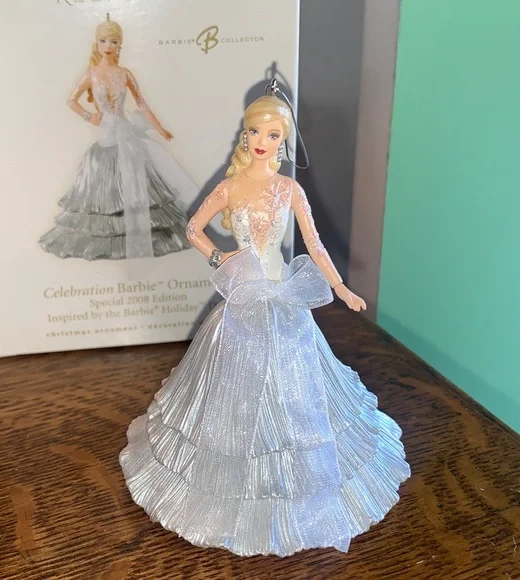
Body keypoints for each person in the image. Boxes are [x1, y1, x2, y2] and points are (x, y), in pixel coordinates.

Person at [119, 91, 410, 557]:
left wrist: (341, 288)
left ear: (283, 141)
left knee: (296, 383)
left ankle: (295, 471)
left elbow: (314, 245)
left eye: (272, 134)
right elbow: (193, 228)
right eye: (255, 131)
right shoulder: (230, 187)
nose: (261, 140)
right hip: (244, 297)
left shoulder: (290, 189)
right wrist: (220, 257)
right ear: (246, 134)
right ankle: (235, 475)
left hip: (282, 294)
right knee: (234, 384)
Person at [40, 14, 195, 261]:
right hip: (106, 136)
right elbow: (71, 100)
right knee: (102, 186)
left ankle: (141, 234)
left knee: (138, 185)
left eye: (113, 42)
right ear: (97, 43)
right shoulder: (92, 73)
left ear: (120, 45)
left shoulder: (124, 73)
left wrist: (159, 128)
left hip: (126, 135)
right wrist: (89, 116)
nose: (108, 46)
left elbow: (141, 103)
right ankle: (107, 238)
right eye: (104, 41)